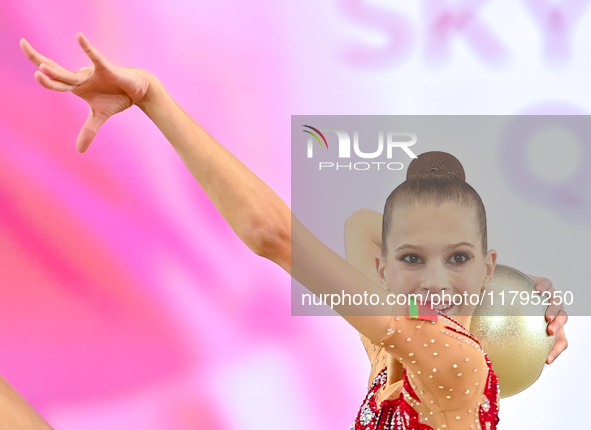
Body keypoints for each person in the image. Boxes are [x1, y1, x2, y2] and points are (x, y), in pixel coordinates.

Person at [14, 33, 568, 430]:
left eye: (460, 258)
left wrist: (154, 100)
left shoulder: (452, 357)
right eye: (413, 260)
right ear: (381, 270)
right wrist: (495, 290)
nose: (435, 281)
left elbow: (272, 235)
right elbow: (361, 228)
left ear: (489, 264)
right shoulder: (389, 347)